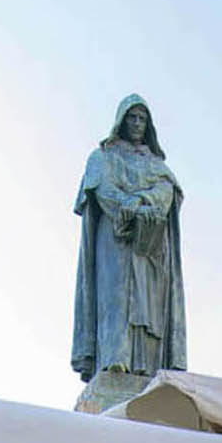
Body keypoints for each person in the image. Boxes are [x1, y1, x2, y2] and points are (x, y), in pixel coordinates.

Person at [72, 96, 187, 390]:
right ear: (121, 121)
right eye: (132, 117)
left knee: (149, 306)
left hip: (149, 248)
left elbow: (167, 191)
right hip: (116, 240)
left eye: (142, 119)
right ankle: (114, 359)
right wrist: (127, 207)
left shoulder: (155, 163)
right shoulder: (103, 157)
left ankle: (147, 367)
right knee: (116, 298)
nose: (137, 124)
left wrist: (142, 202)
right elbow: (101, 189)